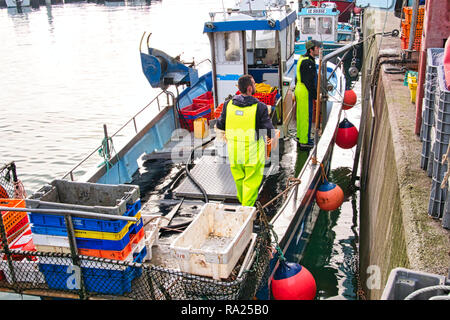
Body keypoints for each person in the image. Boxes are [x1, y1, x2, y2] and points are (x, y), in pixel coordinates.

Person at [216, 74, 275, 207]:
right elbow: (270, 131)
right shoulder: (260, 107)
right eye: (254, 84)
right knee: (251, 182)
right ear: (249, 88)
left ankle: (243, 203)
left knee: (239, 179)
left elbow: (220, 125)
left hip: (234, 152)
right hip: (252, 153)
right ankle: (246, 211)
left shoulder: (228, 104)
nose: (255, 86)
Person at [295, 39, 322, 148]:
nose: (319, 50)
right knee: (306, 116)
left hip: (300, 89)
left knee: (301, 115)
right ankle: (304, 142)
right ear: (311, 50)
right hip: (304, 92)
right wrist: (315, 96)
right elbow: (309, 82)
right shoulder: (308, 62)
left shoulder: (303, 59)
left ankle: (300, 137)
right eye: (317, 48)